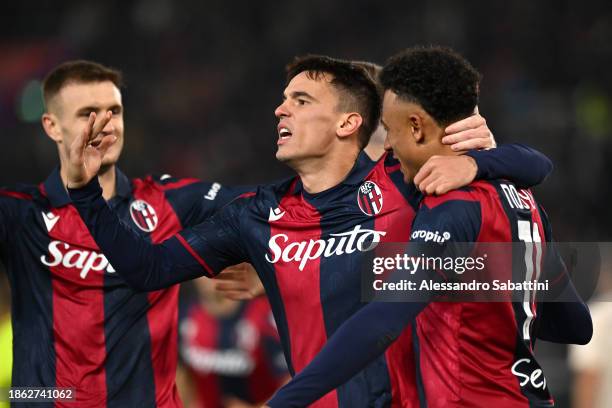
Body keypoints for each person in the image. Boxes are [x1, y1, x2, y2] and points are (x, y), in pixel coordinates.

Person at [65, 55, 554, 407]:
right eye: (283, 101)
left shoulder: (404, 182)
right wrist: (84, 191)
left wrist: (481, 162)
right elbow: (146, 268)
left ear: (349, 122)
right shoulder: (254, 216)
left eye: (299, 100)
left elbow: (534, 165)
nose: (280, 110)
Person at [264, 47, 592, 408]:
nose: (387, 145)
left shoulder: (449, 206)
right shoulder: (522, 198)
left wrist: (282, 403)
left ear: (416, 127)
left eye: (389, 131)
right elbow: (575, 324)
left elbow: (382, 320)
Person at [0, 60, 245, 407]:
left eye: (113, 111)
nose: (106, 124)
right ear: (52, 126)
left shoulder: (167, 202)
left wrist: (261, 255)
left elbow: (266, 208)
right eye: (88, 113)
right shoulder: (20, 213)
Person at [178, 263, 289, 408]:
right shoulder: (183, 315)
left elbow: (292, 379)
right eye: (201, 266)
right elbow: (181, 377)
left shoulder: (264, 314)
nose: (210, 273)